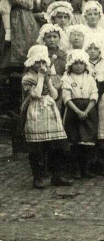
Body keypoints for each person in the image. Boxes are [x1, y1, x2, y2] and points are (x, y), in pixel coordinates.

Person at [20, 46, 71, 189]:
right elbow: (35, 94)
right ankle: (38, 177)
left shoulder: (46, 76)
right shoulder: (27, 78)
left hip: (49, 110)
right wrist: (42, 77)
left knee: (57, 144)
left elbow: (54, 95)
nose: (41, 65)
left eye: (43, 62)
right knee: (37, 147)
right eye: (38, 62)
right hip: (35, 111)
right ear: (31, 63)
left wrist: (48, 80)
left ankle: (57, 175)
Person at [1, 0, 40, 109]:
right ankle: (11, 103)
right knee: (14, 61)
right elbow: (4, 9)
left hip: (29, 23)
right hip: (16, 23)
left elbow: (30, 7)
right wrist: (8, 31)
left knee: (29, 59)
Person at [61, 50, 99, 179]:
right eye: (75, 63)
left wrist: (86, 111)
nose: (78, 66)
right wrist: (77, 111)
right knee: (74, 140)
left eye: (81, 63)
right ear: (70, 65)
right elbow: (66, 97)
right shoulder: (66, 78)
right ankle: (75, 169)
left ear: (85, 65)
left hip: (89, 110)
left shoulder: (90, 78)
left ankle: (85, 168)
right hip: (73, 110)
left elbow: (94, 95)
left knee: (87, 141)